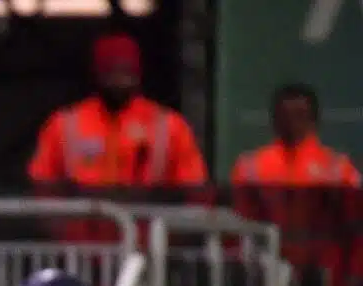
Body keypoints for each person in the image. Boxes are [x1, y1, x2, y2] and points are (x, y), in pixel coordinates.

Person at [29, 33, 206, 193]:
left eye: (126, 71)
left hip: (148, 227)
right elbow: (41, 189)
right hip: (81, 226)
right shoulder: (63, 125)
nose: (119, 80)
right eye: (112, 71)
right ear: (98, 74)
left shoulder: (170, 126)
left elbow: (193, 191)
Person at [232, 84, 361, 188]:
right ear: (274, 120)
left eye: (299, 115)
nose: (292, 122)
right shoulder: (249, 168)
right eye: (285, 115)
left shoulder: (338, 168)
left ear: (314, 120)